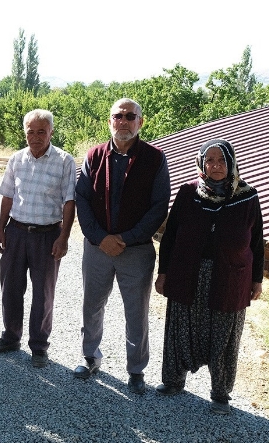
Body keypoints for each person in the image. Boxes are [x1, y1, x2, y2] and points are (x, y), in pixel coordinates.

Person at [155, 139, 263, 415]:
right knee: (180, 328)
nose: (215, 166)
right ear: (202, 165)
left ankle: (220, 393)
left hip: (230, 278)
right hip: (187, 273)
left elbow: (257, 242)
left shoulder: (248, 197)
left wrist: (257, 280)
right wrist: (163, 272)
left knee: (224, 336)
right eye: (210, 161)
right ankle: (174, 381)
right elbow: (170, 237)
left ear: (231, 163)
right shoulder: (188, 193)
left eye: (221, 160)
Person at [74, 98, 171, 394]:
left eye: (131, 116)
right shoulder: (94, 155)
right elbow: (82, 199)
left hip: (136, 250)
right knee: (92, 305)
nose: (124, 121)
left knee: (136, 312)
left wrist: (126, 238)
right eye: (119, 116)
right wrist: (99, 237)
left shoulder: (155, 158)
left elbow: (159, 207)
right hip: (97, 247)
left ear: (140, 122)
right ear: (110, 121)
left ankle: (136, 370)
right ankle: (90, 356)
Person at [0, 109, 76, 368]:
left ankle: (38, 346)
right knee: (11, 288)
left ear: (51, 132)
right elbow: (7, 196)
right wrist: (1, 229)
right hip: (16, 232)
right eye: (30, 132)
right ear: (24, 132)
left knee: (43, 293)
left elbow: (69, 202)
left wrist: (64, 237)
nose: (35, 137)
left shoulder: (64, 161)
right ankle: (10, 337)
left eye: (41, 131)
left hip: (47, 236)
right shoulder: (16, 159)